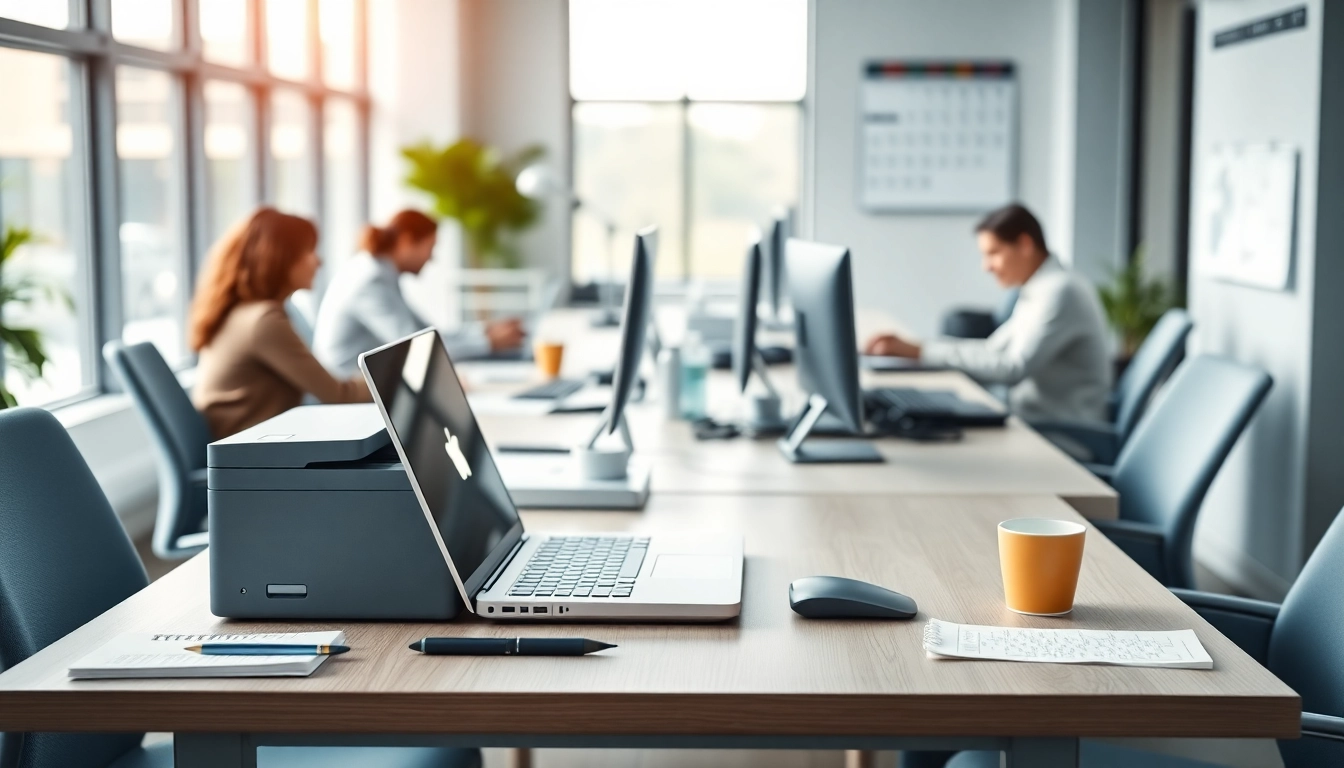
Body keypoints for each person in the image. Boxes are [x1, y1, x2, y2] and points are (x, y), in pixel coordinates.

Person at [865, 203, 1112, 424]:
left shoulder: (1060, 291)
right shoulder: (1039, 288)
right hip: (1033, 419)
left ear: (1025, 244)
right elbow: (992, 350)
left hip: (1061, 433)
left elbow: (1012, 368)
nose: (986, 267)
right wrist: (917, 348)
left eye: (993, 253)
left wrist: (919, 351)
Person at [190, 208, 371, 439]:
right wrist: (394, 377)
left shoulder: (244, 313)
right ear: (279, 259)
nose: (319, 261)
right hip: (255, 456)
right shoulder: (263, 321)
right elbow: (339, 395)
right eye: (309, 251)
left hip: (254, 445)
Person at [312, 209, 526, 378]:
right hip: (351, 393)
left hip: (370, 382)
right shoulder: (371, 281)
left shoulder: (379, 272)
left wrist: (484, 331)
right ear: (406, 241)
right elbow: (417, 349)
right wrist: (489, 343)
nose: (431, 258)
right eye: (430, 247)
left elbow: (425, 333)